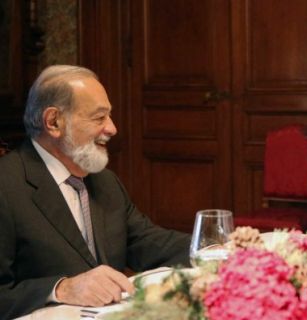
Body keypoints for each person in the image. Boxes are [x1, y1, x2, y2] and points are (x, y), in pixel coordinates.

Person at [0, 65, 191, 319]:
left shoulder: (104, 181)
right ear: (54, 122)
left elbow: (148, 242)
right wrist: (61, 288)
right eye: (99, 118)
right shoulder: (7, 186)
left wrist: (225, 248)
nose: (112, 128)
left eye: (109, 116)